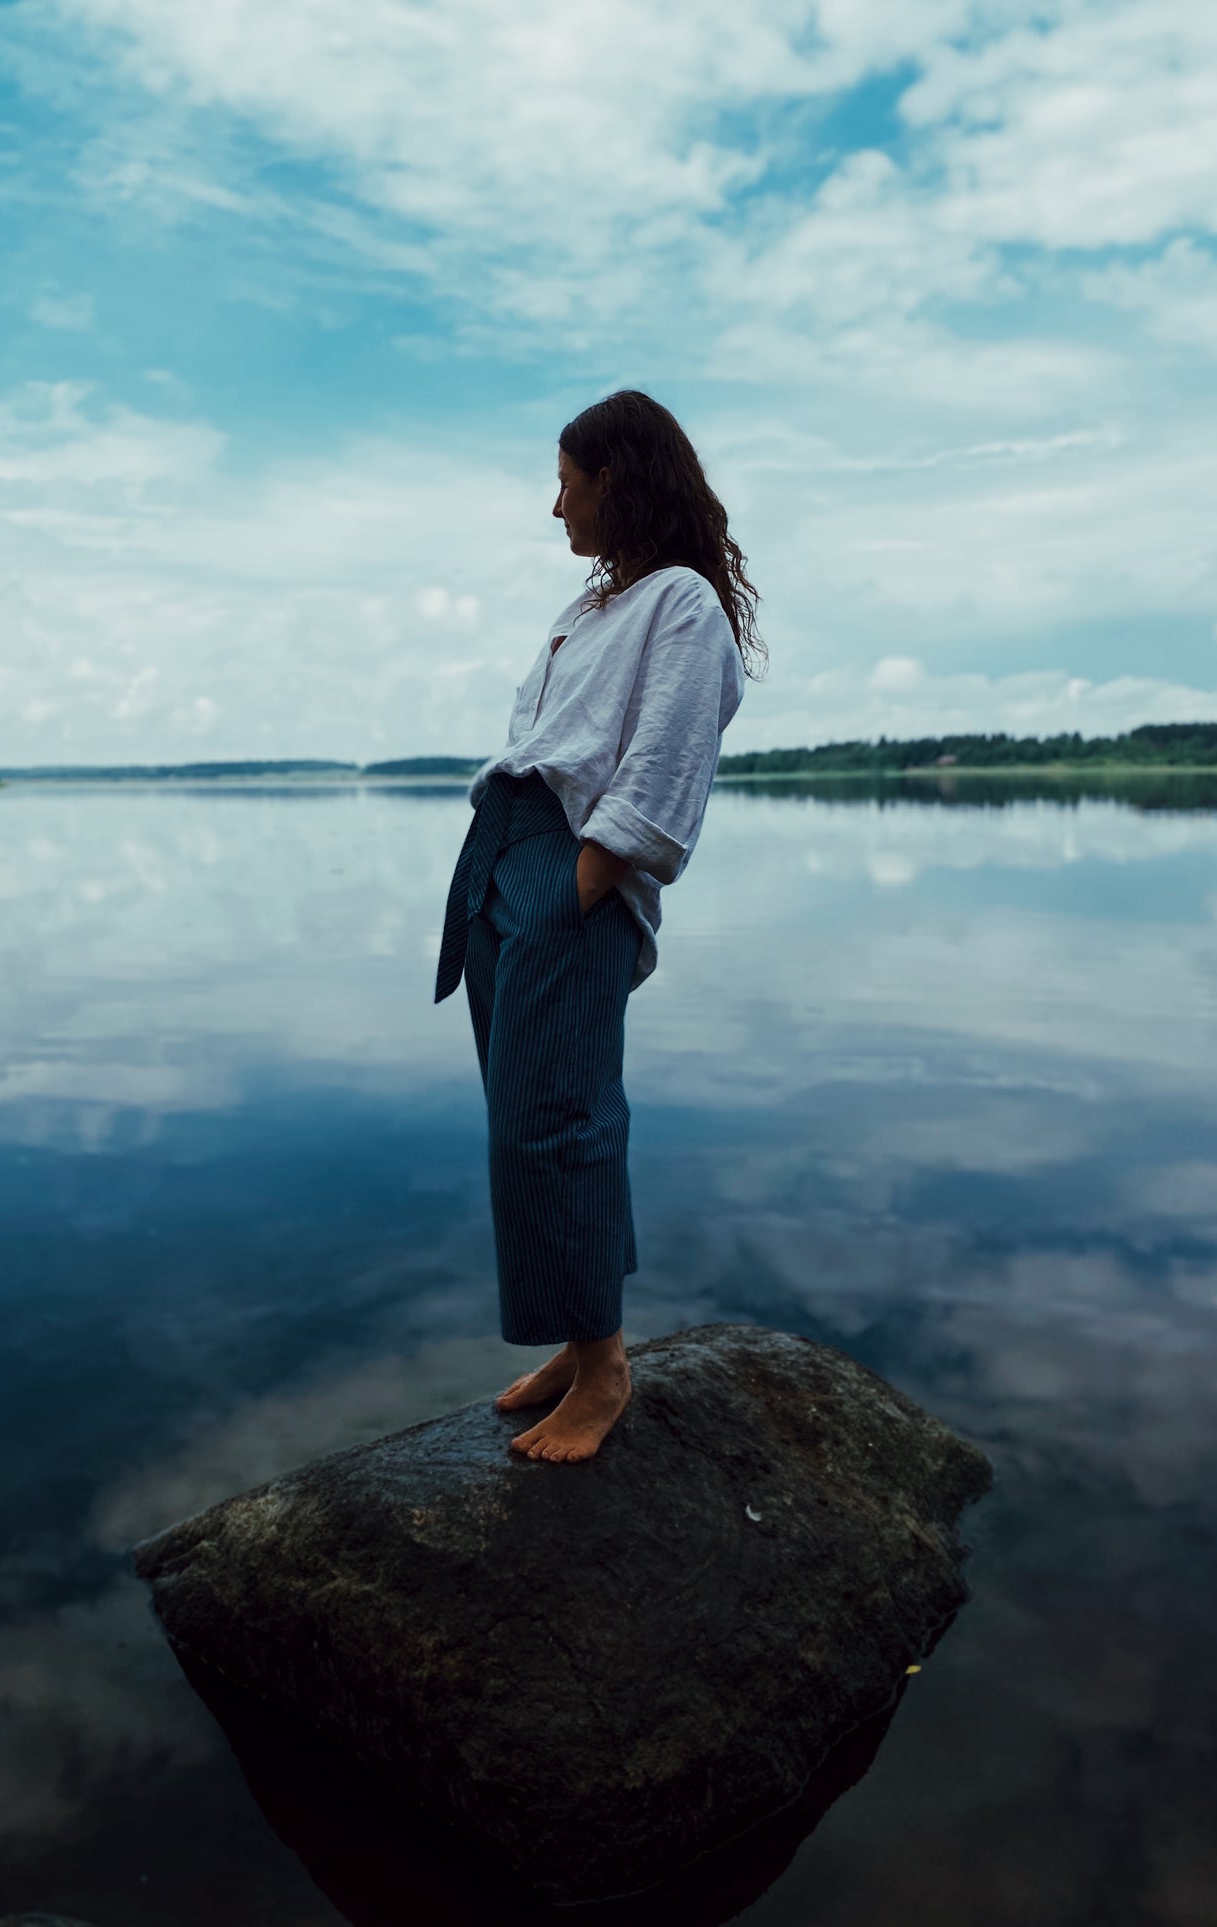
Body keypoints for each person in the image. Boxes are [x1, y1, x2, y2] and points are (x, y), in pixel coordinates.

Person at [434, 389, 765, 1463]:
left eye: (566, 484)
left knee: (559, 1122)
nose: (553, 508)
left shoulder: (679, 606)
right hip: (509, 856)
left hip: (569, 873)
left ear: (613, 480)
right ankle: (583, 1347)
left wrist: (576, 886)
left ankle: (607, 1367)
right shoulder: (590, 610)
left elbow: (664, 767)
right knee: (520, 1120)